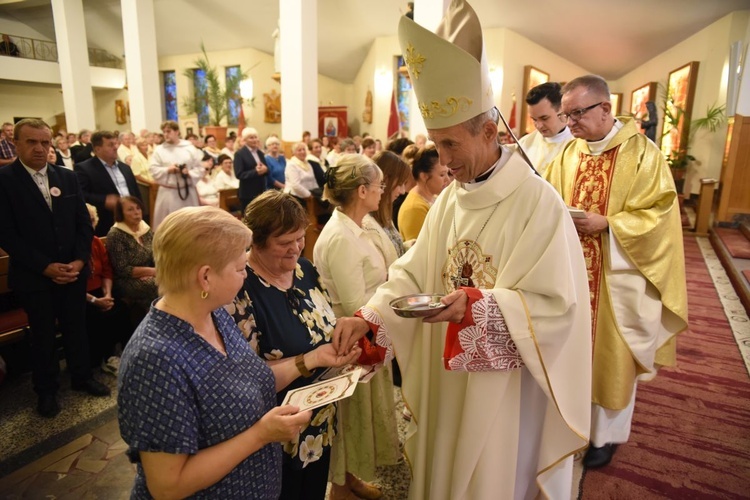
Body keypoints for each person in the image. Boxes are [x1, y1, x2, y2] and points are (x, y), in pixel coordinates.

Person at [330, 2, 591, 498]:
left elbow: (558, 308)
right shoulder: (452, 199)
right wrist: (371, 315)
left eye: (451, 145)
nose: (444, 163)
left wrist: (480, 308)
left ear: (490, 132)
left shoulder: (539, 203)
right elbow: (411, 272)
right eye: (436, 146)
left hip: (504, 391)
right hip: (446, 380)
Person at [117, 206, 320, 499]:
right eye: (240, 269)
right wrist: (261, 435)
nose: (245, 274)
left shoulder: (214, 314)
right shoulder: (155, 360)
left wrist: (314, 360)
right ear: (205, 278)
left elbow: (248, 381)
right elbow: (167, 485)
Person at [544, 74, 689, 469]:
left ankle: (605, 436)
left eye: (576, 114)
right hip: (573, 272)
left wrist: (608, 224)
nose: (569, 123)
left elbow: (659, 215)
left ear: (605, 109)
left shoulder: (643, 155)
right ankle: (570, 424)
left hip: (617, 274)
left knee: (611, 356)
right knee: (571, 351)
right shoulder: (568, 155)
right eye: (565, 115)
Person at [228, 191, 361, 499]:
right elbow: (246, 378)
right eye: (284, 242)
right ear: (255, 241)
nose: (296, 248)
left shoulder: (305, 270)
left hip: (319, 418)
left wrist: (342, 348)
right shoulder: (240, 289)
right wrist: (310, 359)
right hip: (275, 431)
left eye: (300, 238)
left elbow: (323, 329)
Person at [0, 119, 110, 418]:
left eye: (44, 142)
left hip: (72, 270)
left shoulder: (66, 176)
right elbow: (7, 234)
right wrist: (45, 267)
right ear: (17, 144)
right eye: (31, 142)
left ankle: (82, 376)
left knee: (77, 327)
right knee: (44, 334)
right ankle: (46, 390)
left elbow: (82, 224)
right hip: (35, 275)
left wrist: (77, 260)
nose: (39, 148)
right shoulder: (5, 180)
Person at [313, 155, 401, 500]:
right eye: (378, 186)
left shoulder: (363, 224)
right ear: (362, 190)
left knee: (363, 412)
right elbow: (354, 306)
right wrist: (392, 301)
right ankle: (338, 488)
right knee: (350, 418)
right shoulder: (339, 237)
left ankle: (350, 479)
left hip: (372, 333)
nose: (382, 191)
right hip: (351, 340)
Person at [84, 203, 132, 376]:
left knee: (121, 308)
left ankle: (125, 354)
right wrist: (96, 301)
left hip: (101, 291)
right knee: (98, 316)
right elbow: (72, 285)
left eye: (91, 220)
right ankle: (105, 357)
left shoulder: (96, 242)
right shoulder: (70, 245)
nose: (88, 224)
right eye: (84, 220)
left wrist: (108, 295)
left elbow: (106, 271)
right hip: (81, 296)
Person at [76, 131, 142, 237]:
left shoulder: (125, 167)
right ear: (98, 149)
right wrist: (104, 200)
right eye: (111, 145)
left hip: (132, 220)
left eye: (116, 144)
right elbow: (81, 195)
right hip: (107, 222)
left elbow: (136, 192)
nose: (116, 147)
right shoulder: (85, 169)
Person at [105, 196, 158, 313]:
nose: (136, 212)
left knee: (175, 276)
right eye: (130, 210)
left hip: (150, 273)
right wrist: (153, 272)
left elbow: (156, 254)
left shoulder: (145, 229)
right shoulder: (116, 234)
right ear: (121, 213)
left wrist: (158, 270)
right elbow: (123, 269)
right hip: (125, 280)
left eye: (138, 208)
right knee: (156, 284)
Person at [149, 120, 203, 229]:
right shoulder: (159, 150)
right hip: (168, 192)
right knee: (169, 225)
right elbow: (153, 169)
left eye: (168, 131)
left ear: (177, 131)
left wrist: (188, 173)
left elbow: (200, 168)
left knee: (190, 224)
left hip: (187, 191)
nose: (166, 134)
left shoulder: (189, 148)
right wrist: (168, 170)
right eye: (164, 132)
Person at [516, 82, 574, 176]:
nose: (539, 126)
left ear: (562, 109)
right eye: (534, 119)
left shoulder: (578, 143)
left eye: (544, 118)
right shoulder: (525, 143)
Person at [364, 151, 411, 262]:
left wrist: (407, 246)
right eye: (400, 184)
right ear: (385, 180)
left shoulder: (384, 210)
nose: (403, 191)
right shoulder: (366, 221)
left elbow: (391, 249)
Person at [397, 144, 449, 242]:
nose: (447, 179)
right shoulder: (414, 208)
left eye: (447, 173)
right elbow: (419, 250)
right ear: (424, 176)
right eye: (442, 175)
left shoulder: (433, 197)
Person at [234, 127, 269, 211]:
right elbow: (239, 174)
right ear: (245, 140)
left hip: (261, 191)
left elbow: (266, 169)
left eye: (255, 137)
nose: (254, 140)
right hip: (248, 193)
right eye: (251, 138)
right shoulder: (240, 154)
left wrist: (265, 169)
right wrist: (255, 172)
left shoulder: (260, 153)